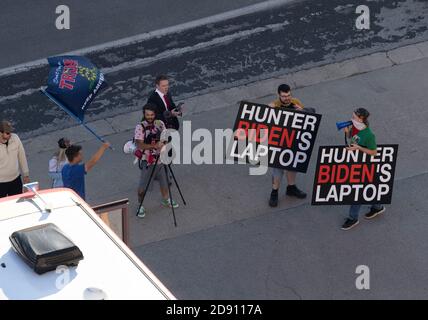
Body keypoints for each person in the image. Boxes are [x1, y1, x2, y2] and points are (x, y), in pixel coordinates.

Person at [341, 107, 385, 231]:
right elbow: (353, 138)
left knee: (357, 192)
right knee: (369, 188)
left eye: (354, 116)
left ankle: (353, 218)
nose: (352, 117)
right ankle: (377, 207)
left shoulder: (369, 135)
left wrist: (358, 148)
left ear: (361, 118)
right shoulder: (356, 127)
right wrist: (347, 132)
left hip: (366, 166)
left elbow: (374, 152)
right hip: (357, 164)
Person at [135, 103, 178, 218]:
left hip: (161, 160)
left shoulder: (160, 124)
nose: (149, 117)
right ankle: (140, 205)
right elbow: (140, 145)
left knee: (165, 182)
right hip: (147, 162)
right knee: (143, 186)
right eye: (147, 114)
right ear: (144, 114)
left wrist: (163, 143)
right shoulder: (140, 127)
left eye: (152, 114)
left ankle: (166, 199)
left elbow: (166, 137)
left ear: (155, 114)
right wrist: (154, 146)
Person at [268, 84, 307, 207]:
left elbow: (309, 119)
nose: (287, 98)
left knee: (292, 166)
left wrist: (303, 111)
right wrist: (268, 110)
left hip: (293, 140)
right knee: (278, 169)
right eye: (284, 96)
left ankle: (291, 187)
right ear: (278, 95)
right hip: (278, 142)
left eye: (289, 95)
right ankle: (274, 192)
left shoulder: (296, 102)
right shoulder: (274, 105)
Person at [0, 120, 30, 198]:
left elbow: (22, 156)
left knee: (17, 205)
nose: (10, 134)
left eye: (10, 132)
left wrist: (26, 175)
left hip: (16, 180)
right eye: (7, 133)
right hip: (1, 183)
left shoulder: (15, 138)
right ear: (0, 132)